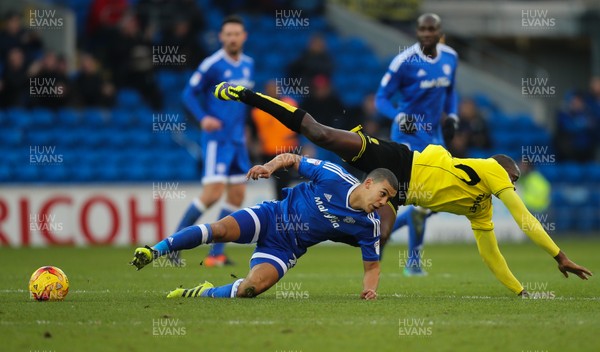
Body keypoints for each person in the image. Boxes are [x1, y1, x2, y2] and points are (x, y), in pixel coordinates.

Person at [212, 82, 592, 296]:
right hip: (399, 161)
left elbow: (490, 252)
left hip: (396, 192)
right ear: (507, 176)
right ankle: (246, 95)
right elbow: (523, 216)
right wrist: (558, 255)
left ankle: (309, 248)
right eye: (512, 183)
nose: (510, 188)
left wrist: (519, 291)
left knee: (377, 236)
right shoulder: (494, 170)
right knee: (319, 133)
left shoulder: (481, 207)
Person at [130, 153, 398, 300]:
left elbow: (372, 266)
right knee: (219, 230)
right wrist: (269, 167)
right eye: (383, 194)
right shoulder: (333, 176)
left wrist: (369, 289)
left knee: (250, 289)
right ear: (368, 184)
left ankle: (201, 292)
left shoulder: (368, 226)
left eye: (389, 199)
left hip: (286, 249)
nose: (384, 202)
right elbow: (292, 159)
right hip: (271, 217)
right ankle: (155, 251)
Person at [375, 13, 459, 276]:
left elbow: (451, 91)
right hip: (407, 138)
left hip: (434, 138)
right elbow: (381, 99)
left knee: (431, 204)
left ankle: (382, 236)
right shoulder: (404, 61)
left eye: (431, 29)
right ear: (417, 31)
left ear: (439, 31)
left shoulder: (450, 58)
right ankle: (412, 263)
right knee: (421, 202)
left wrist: (453, 115)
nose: (426, 33)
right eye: (422, 29)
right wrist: (399, 116)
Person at [174, 15, 254, 267]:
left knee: (237, 196)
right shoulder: (212, 64)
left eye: (236, 33)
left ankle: (216, 253)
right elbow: (188, 93)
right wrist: (203, 118)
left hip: (238, 141)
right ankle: (173, 244)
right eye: (228, 34)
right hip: (217, 140)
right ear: (221, 37)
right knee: (212, 194)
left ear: (244, 37)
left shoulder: (248, 64)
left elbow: (244, 104)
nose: (232, 38)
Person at [251, 80, 299, 200]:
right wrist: (255, 145)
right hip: (269, 151)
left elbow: (301, 126)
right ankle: (281, 206)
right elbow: (252, 131)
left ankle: (284, 205)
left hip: (289, 149)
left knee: (285, 182)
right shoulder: (258, 111)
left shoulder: (290, 104)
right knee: (279, 182)